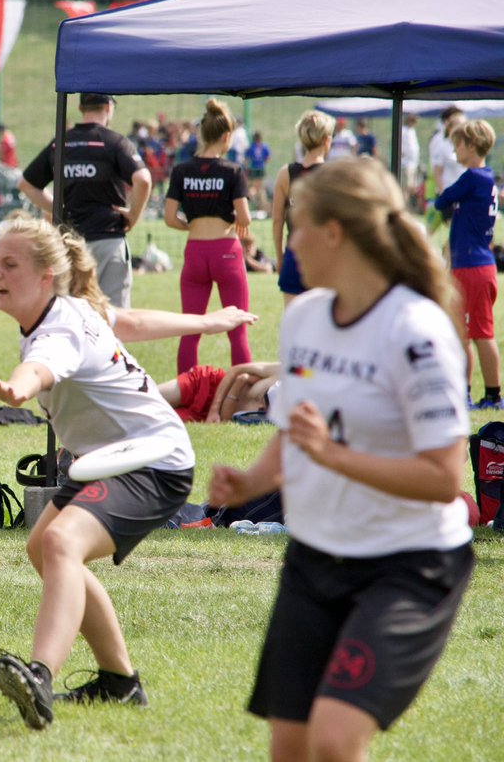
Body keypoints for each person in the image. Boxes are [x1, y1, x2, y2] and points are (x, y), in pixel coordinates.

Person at [208, 157, 474, 762]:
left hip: (408, 567)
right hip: (316, 555)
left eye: (298, 225)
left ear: (335, 234)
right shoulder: (304, 319)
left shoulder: (416, 329)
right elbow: (297, 428)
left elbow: (442, 478)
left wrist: (332, 454)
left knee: (332, 741)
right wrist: (251, 480)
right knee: (291, 747)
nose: (289, 240)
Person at [0, 216, 196, 731]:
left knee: (59, 545)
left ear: (45, 276)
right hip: (112, 457)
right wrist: (209, 324)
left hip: (152, 461)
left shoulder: (55, 330)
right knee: (44, 548)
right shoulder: (69, 307)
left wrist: (18, 388)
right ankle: (119, 682)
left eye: (9, 264)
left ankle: (39, 676)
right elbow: (127, 323)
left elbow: (40, 368)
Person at [20, 93, 152, 309]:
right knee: (114, 317)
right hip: (108, 238)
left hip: (69, 244)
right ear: (109, 107)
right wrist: (133, 215)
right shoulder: (114, 142)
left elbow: (27, 185)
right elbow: (143, 180)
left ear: (81, 108)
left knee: (71, 315)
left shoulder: (60, 143)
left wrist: (58, 209)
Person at [163, 99, 253, 373]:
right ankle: (242, 398)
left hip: (195, 253)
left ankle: (184, 394)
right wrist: (235, 220)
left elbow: (169, 217)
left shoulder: (181, 170)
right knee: (237, 330)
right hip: (226, 251)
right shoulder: (233, 171)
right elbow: (246, 217)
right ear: (227, 137)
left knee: (190, 331)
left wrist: (191, 226)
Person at [435, 119, 501, 410]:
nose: (454, 149)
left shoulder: (473, 177)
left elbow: (442, 201)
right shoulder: (485, 178)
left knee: (481, 334)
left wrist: (449, 205)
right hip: (471, 266)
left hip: (473, 268)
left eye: (458, 144)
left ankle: (493, 395)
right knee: (463, 333)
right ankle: (463, 392)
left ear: (472, 145)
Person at [272, 110, 333, 306]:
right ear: (327, 140)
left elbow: (277, 220)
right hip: (324, 256)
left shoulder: (285, 173)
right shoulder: (333, 174)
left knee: (293, 324)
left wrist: (280, 257)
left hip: (294, 254)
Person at [158, 361, 280, 424]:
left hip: (213, 418)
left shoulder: (288, 416)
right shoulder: (289, 370)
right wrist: (213, 410)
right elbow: (236, 370)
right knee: (147, 397)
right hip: (207, 385)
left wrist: (242, 381)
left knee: (154, 419)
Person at [429, 107, 467, 224]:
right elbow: (437, 171)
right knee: (452, 228)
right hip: (448, 193)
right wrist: (443, 194)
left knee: (459, 231)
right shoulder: (441, 143)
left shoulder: (466, 144)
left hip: (463, 192)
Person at [244, 131, 271, 213]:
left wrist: (246, 169)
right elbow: (268, 158)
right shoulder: (264, 147)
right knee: (260, 189)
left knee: (253, 188)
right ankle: (263, 208)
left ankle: (253, 202)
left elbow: (247, 160)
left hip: (253, 169)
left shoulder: (251, 147)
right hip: (261, 169)